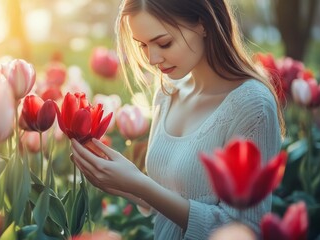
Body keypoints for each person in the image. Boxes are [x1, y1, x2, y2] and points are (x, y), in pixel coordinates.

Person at [70, 0, 284, 239]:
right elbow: (167, 200)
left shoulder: (252, 105)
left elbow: (246, 230)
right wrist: (122, 183)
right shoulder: (167, 92)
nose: (152, 59)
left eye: (164, 43)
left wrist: (140, 184)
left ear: (203, 24)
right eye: (142, 45)